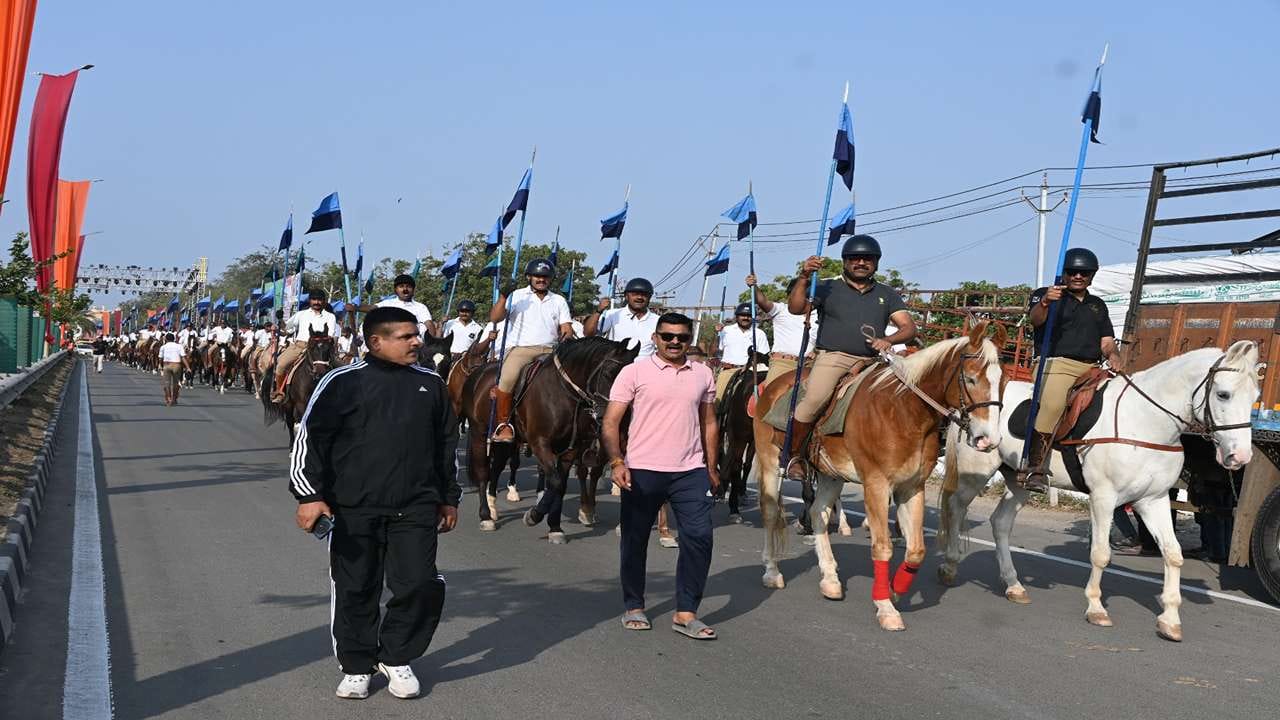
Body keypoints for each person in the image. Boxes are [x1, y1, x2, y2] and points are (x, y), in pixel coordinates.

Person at [290, 306, 459, 700]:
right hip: (353, 509)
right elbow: (310, 440)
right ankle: (356, 665)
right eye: (406, 337)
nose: (417, 342)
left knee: (418, 583)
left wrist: (449, 498)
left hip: (416, 507)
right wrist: (310, 496)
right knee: (356, 587)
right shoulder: (340, 382)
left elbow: (446, 446)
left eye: (416, 335)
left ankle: (397, 657)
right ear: (375, 341)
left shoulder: (431, 384)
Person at [603, 312, 720, 639]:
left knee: (699, 537)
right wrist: (616, 461)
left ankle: (686, 612)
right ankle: (634, 605)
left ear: (689, 339)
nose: (674, 342)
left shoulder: (703, 374)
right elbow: (612, 421)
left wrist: (711, 467)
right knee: (635, 540)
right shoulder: (633, 371)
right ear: (656, 338)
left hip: (690, 470)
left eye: (682, 337)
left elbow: (709, 422)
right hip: (642, 470)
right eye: (668, 336)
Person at [785, 234, 917, 481]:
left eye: (867, 259)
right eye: (854, 258)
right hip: (835, 357)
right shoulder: (826, 286)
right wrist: (804, 277)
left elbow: (908, 327)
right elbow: (796, 308)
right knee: (814, 399)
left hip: (875, 361)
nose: (861, 262)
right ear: (845, 262)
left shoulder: (887, 294)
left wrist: (889, 340)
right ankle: (794, 456)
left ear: (876, 263)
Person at [1017, 247, 1122, 493]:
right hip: (1055, 365)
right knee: (1053, 405)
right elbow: (1035, 320)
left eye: (1084, 273)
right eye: (1072, 271)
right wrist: (1045, 303)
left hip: (1092, 367)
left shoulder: (1098, 305)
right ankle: (1036, 468)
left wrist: (1114, 355)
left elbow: (1106, 341)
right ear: (1063, 273)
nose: (1078, 276)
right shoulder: (1047, 294)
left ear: (1091, 275)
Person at [487, 258, 573, 442]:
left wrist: (567, 334)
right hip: (521, 349)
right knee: (508, 378)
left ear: (550, 279)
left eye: (545, 276)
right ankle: (503, 424)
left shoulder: (558, 300)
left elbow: (566, 327)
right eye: (537, 276)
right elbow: (495, 317)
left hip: (551, 350)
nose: (541, 279)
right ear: (529, 277)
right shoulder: (517, 295)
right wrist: (503, 296)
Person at [745, 273, 818, 386]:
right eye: (794, 294)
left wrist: (817, 351)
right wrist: (753, 286)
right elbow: (762, 301)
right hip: (782, 364)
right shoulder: (781, 309)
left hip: (809, 366)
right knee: (771, 399)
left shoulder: (820, 315)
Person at [272, 290, 341, 403]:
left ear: (324, 302)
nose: (317, 302)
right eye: (314, 299)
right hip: (300, 346)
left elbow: (331, 335)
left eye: (319, 300)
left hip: (322, 349)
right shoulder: (301, 314)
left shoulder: (330, 317)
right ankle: (280, 392)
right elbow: (287, 330)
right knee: (281, 365)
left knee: (342, 369)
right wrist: (280, 321)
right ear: (310, 301)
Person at [709, 303, 770, 402]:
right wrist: (717, 333)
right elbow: (713, 352)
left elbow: (763, 356)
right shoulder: (726, 330)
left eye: (749, 316)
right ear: (736, 317)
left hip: (751, 372)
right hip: (729, 371)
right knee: (718, 401)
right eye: (742, 315)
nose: (745, 318)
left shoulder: (759, 333)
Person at [584, 277, 659, 357]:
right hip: (615, 366)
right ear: (626, 296)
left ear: (650, 297)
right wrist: (599, 311)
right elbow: (588, 334)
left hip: (646, 367)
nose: (639, 297)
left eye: (644, 295)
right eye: (635, 294)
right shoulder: (613, 314)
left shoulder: (658, 320)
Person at [359, 273, 435, 337]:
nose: (405, 289)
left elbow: (429, 324)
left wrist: (431, 346)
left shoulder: (420, 307)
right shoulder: (388, 303)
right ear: (395, 290)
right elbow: (372, 308)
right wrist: (355, 307)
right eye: (401, 286)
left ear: (413, 290)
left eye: (408, 286)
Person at [158, 332, 189, 405]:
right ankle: (174, 399)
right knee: (175, 383)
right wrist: (188, 367)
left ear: (166, 339)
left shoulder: (163, 347)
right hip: (176, 365)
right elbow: (183, 357)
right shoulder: (179, 346)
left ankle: (168, 399)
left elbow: (160, 358)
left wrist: (160, 365)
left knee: (167, 383)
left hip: (167, 365)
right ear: (174, 339)